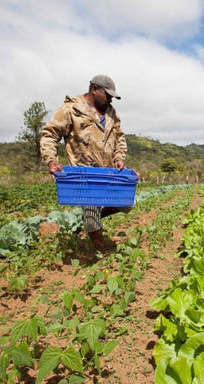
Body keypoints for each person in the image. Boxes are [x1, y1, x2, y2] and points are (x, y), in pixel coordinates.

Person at [40, 74, 130, 252]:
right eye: (108, 94)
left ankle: (95, 216)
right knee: (91, 214)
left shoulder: (111, 112)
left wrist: (119, 157)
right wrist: (51, 160)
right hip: (84, 174)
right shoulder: (71, 109)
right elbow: (50, 134)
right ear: (95, 89)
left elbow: (120, 138)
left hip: (107, 173)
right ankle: (99, 252)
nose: (111, 98)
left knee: (126, 204)